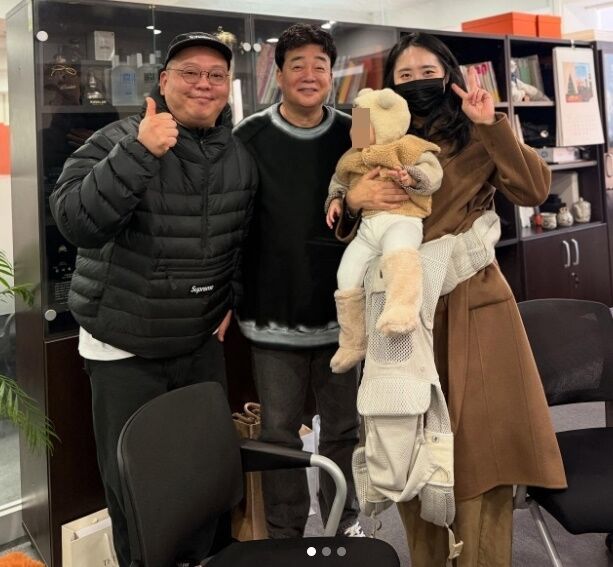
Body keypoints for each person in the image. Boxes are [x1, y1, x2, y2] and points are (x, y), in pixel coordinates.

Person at [336, 31, 566, 566]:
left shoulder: (477, 131)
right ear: (389, 87)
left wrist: (491, 124)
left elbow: (533, 190)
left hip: (472, 304)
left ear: (450, 76)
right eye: (405, 76)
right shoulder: (374, 142)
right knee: (409, 445)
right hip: (402, 310)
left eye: (428, 73)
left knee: (481, 456)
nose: (417, 84)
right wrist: (353, 199)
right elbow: (347, 219)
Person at [50, 32, 258, 567]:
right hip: (125, 347)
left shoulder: (238, 154)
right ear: (163, 81)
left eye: (216, 75)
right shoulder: (119, 138)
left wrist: (229, 297)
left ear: (228, 86)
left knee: (202, 474)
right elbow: (76, 222)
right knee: (139, 489)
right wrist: (139, 151)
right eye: (190, 72)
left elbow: (237, 238)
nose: (204, 84)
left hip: (198, 342)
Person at [233, 23, 364, 538]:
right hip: (272, 315)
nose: (309, 75)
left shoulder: (355, 135)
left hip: (343, 315)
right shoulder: (249, 137)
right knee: (280, 434)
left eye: (320, 65)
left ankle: (341, 524)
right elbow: (232, 223)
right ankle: (285, 535)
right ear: (280, 74)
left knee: (344, 429)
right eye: (297, 65)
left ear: (332, 74)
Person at [325, 86, 443, 373]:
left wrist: (411, 177)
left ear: (386, 122)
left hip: (402, 219)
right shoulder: (351, 156)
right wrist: (336, 200)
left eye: (363, 123)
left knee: (399, 252)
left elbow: (433, 173)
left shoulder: (407, 147)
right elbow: (338, 181)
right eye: (356, 123)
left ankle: (402, 310)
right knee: (346, 274)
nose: (356, 129)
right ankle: (353, 341)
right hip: (367, 229)